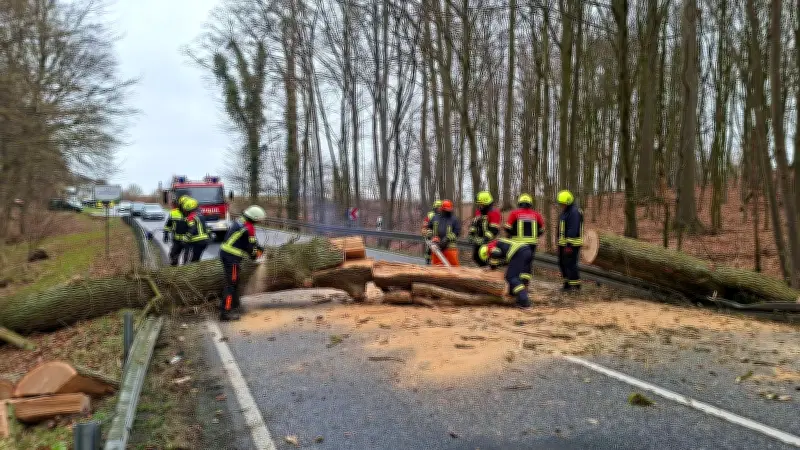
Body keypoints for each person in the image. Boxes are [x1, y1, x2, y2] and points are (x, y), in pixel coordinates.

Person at [218, 205, 266, 321]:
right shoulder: (248, 228)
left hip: (226, 254)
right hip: (232, 258)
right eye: (259, 220)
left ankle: (234, 305)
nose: (259, 222)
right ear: (254, 218)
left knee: (234, 282)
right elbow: (251, 249)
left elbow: (251, 242)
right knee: (231, 285)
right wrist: (257, 256)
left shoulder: (241, 222)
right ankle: (226, 312)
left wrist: (260, 248)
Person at [478, 238, 532, 308]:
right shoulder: (500, 242)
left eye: (488, 258)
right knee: (523, 277)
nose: (489, 260)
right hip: (527, 250)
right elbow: (505, 260)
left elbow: (495, 253)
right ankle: (517, 297)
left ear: (486, 253)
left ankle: (524, 301)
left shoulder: (492, 247)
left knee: (511, 277)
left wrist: (492, 267)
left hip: (519, 252)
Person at [504, 193, 545, 285]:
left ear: (519, 203)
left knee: (516, 260)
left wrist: (511, 235)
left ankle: (515, 280)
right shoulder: (536, 214)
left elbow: (507, 227)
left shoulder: (514, 213)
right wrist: (535, 236)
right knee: (528, 262)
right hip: (532, 243)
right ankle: (525, 282)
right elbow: (542, 229)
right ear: (530, 204)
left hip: (517, 243)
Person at [557, 189, 584, 292]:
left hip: (572, 244)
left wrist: (568, 245)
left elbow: (573, 229)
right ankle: (567, 284)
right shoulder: (566, 212)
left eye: (563, 204)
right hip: (563, 243)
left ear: (568, 202)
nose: (561, 205)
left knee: (571, 264)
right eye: (561, 204)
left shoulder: (574, 212)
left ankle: (575, 286)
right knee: (562, 264)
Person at [468, 191, 502, 267]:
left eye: (481, 204)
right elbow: (474, 224)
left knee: (486, 260)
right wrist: (471, 234)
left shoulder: (494, 213)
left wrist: (485, 239)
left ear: (486, 203)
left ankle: (489, 275)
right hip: (478, 240)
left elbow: (494, 230)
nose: (479, 206)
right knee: (476, 258)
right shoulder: (479, 212)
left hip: (489, 242)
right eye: (479, 204)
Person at [427, 199, 461, 266]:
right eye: (446, 210)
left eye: (449, 210)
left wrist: (446, 239)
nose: (447, 211)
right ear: (442, 209)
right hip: (437, 247)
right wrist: (432, 237)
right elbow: (429, 228)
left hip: (450, 247)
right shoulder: (435, 217)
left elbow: (456, 232)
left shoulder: (454, 220)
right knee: (437, 268)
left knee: (454, 267)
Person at [182, 197, 210, 262]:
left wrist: (185, 239)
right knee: (196, 258)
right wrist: (209, 236)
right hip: (204, 241)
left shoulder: (191, 217)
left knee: (194, 261)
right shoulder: (200, 215)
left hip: (198, 241)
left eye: (185, 209)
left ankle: (196, 271)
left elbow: (192, 229)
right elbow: (207, 228)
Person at [164, 195, 188, 266]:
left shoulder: (190, 213)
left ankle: (185, 269)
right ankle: (175, 268)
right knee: (172, 255)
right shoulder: (173, 213)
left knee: (186, 258)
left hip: (187, 240)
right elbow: (168, 225)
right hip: (176, 239)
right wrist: (166, 233)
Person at [421, 200, 442, 265]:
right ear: (435, 207)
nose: (439, 208)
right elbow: (425, 224)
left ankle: (439, 261)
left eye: (440, 207)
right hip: (430, 234)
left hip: (439, 234)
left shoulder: (443, 215)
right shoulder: (430, 215)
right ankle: (428, 261)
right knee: (429, 248)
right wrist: (424, 232)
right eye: (438, 207)